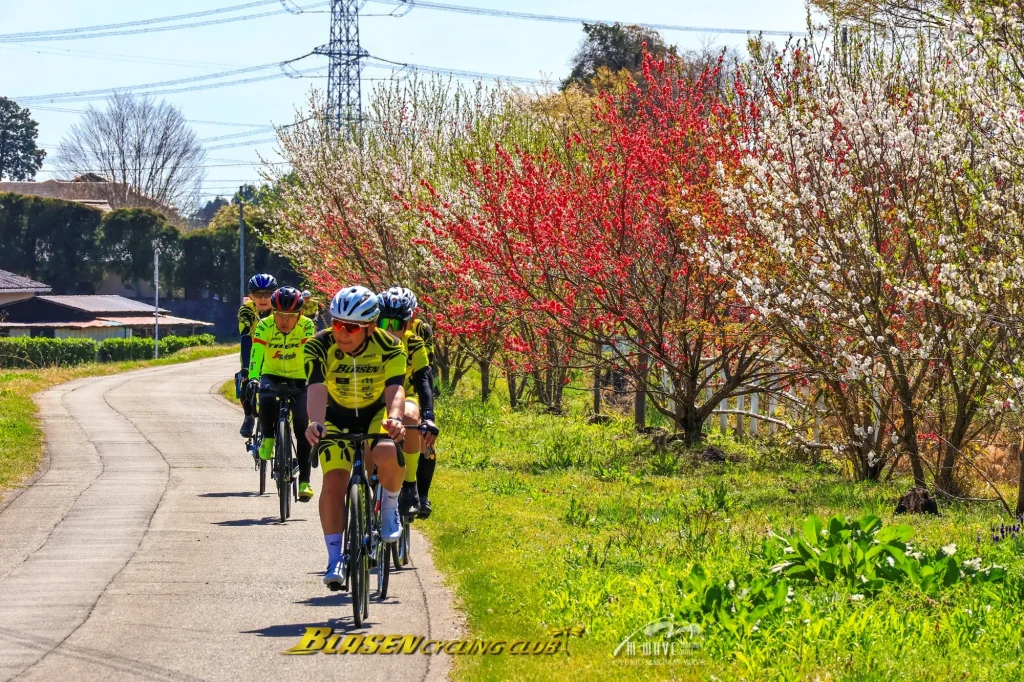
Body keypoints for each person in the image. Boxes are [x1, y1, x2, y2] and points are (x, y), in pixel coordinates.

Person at [303, 286, 407, 590]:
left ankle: (390, 508)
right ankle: (335, 558)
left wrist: (395, 419)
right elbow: (316, 388)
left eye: (351, 328)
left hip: (376, 412)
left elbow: (395, 389)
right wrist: (315, 422)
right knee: (334, 480)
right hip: (335, 415)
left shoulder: (390, 346)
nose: (342, 333)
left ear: (371, 327)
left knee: (387, 450)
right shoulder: (319, 344)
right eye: (337, 324)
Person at [246, 287, 317, 501]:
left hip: (299, 377)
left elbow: (310, 354)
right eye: (279, 315)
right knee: (266, 400)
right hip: (272, 374)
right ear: (273, 312)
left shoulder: (307, 326)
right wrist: (253, 377)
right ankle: (268, 438)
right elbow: (257, 353)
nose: (284, 321)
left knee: (302, 426)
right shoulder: (264, 326)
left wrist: (314, 379)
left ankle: (304, 481)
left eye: (290, 316)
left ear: (300, 314)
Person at [376, 287, 439, 517]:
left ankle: (413, 488)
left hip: (408, 394)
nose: (389, 330)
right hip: (374, 398)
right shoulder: (369, 340)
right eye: (384, 323)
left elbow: (424, 376)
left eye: (397, 324)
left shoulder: (416, 339)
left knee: (417, 426)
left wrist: (429, 415)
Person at [238, 273, 277, 438]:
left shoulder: (280, 309)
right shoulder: (246, 310)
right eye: (258, 294)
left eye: (267, 294)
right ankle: (248, 417)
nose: (263, 299)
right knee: (246, 384)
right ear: (251, 296)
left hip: (275, 353)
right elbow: (245, 338)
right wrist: (246, 367)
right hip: (253, 352)